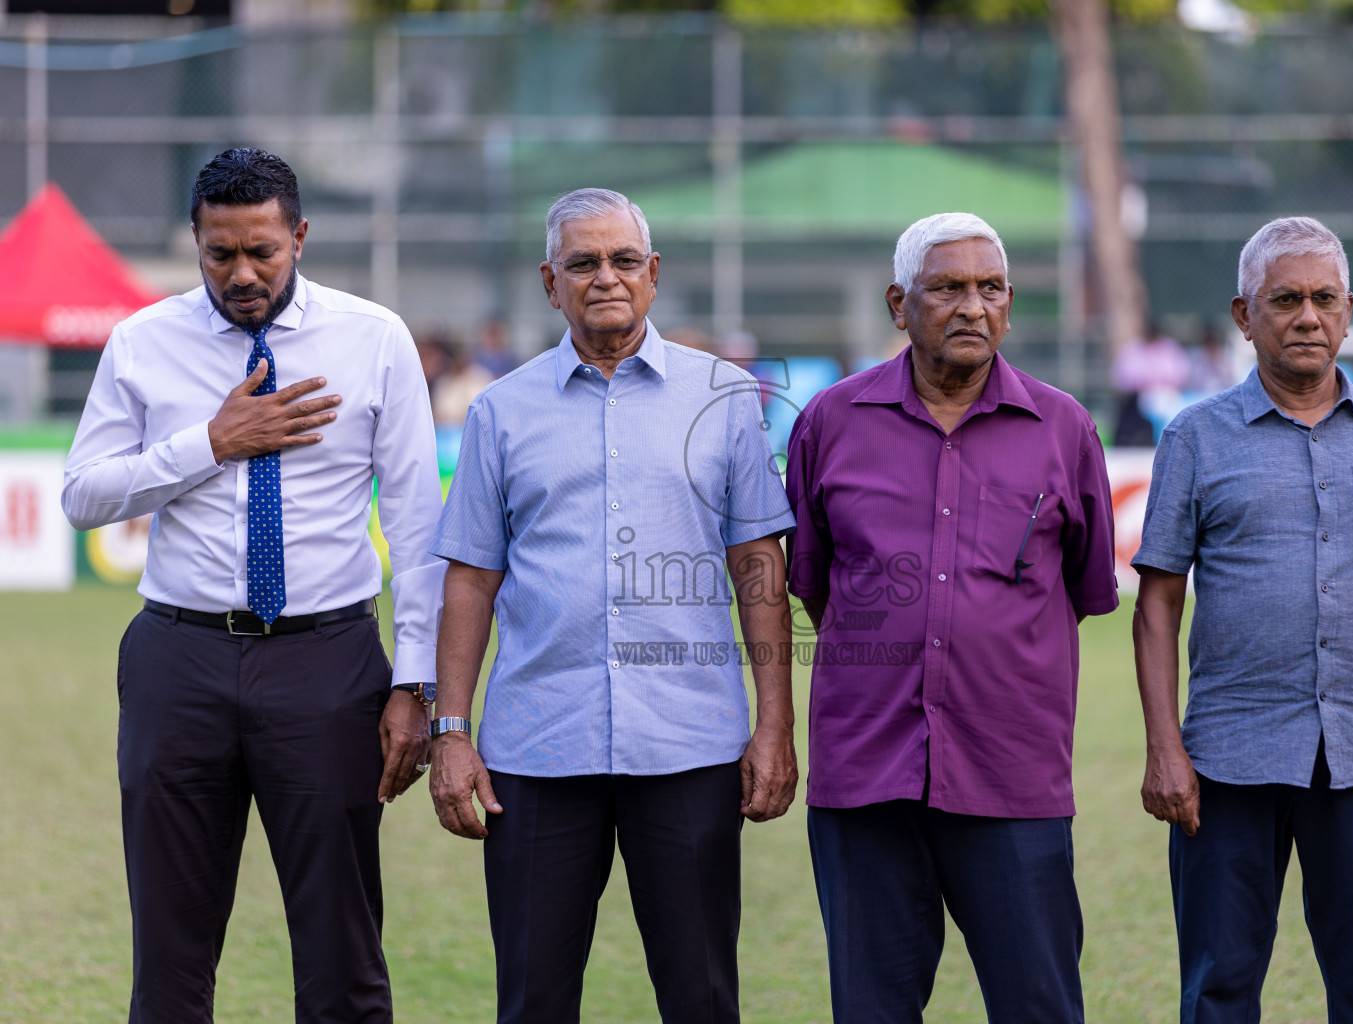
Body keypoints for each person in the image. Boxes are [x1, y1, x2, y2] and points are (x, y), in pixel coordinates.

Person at [61, 148, 445, 1023]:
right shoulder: (142, 341)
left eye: (262, 252)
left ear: (299, 236)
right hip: (178, 661)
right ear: (194, 241)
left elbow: (422, 528)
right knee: (170, 955)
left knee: (343, 953)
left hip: (329, 662)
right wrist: (211, 441)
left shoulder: (373, 338)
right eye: (219, 253)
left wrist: (414, 685)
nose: (242, 273)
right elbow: (84, 494)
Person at [427, 187, 798, 1024]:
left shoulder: (726, 399)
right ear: (549, 282)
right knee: (532, 1001)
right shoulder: (500, 410)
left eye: (624, 260)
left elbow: (758, 568)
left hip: (691, 751)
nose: (606, 277)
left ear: (654, 274)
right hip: (535, 756)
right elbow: (470, 579)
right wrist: (451, 733)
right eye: (583, 262)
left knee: (702, 998)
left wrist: (775, 725)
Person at [1131, 216, 1353, 1024]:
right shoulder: (1195, 437)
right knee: (1218, 991)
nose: (1307, 316)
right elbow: (1157, 604)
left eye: (1324, 298)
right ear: (1245, 316)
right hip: (1225, 763)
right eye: (1284, 299)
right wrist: (1163, 747)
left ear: (1349, 311)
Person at [785, 212, 1120, 1024]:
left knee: (1039, 1006)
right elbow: (817, 585)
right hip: (867, 776)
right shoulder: (830, 422)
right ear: (899, 304)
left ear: (1010, 304)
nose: (972, 306)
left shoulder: (1064, 428)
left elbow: (1079, 589)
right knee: (873, 1010)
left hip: (1012, 773)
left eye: (990, 288)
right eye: (947, 289)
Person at [1111, 317, 1190, 447]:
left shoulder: (1170, 348)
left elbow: (1181, 375)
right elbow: (1122, 378)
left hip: (1168, 393)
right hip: (1140, 395)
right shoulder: (1133, 349)